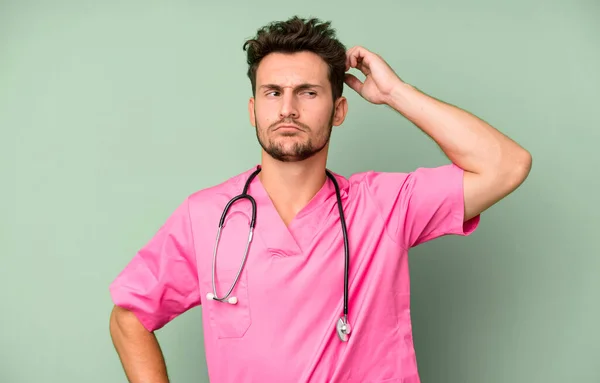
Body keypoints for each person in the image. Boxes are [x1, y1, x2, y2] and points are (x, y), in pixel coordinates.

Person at [108, 16, 532, 383]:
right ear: (254, 109)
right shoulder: (206, 216)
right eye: (273, 93)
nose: (288, 109)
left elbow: (506, 166)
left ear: (339, 110)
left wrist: (395, 93)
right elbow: (129, 316)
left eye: (308, 92)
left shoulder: (385, 206)